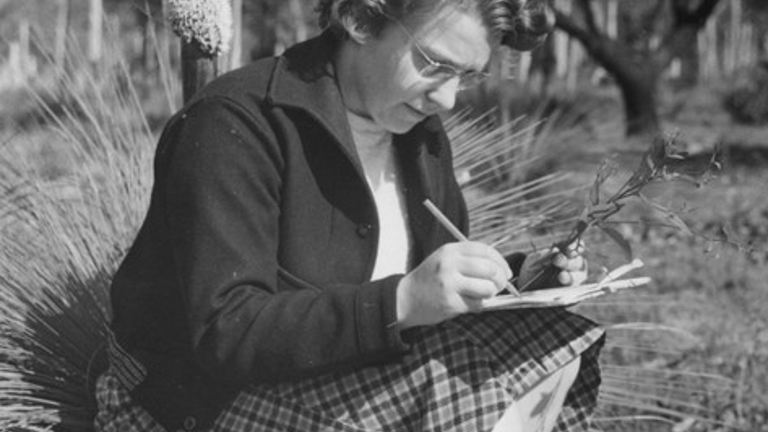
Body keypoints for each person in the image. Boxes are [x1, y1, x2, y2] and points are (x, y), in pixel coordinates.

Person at [95, 0, 605, 431]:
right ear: (360, 19)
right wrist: (403, 300)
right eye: (434, 64)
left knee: (550, 345)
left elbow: (423, 288)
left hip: (333, 371)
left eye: (466, 77)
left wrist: (516, 278)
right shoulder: (237, 124)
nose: (447, 99)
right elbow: (225, 332)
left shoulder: (419, 133)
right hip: (195, 404)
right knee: (460, 386)